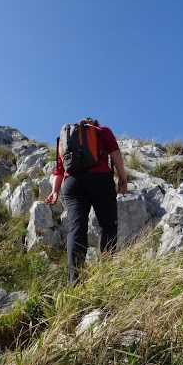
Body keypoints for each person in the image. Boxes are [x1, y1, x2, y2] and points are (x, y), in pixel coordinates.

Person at [45, 118, 128, 284]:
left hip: (72, 183)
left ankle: (74, 282)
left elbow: (59, 169)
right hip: (100, 179)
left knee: (76, 229)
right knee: (108, 226)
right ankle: (107, 274)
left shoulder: (65, 139)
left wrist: (55, 191)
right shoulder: (102, 130)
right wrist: (122, 177)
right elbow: (115, 153)